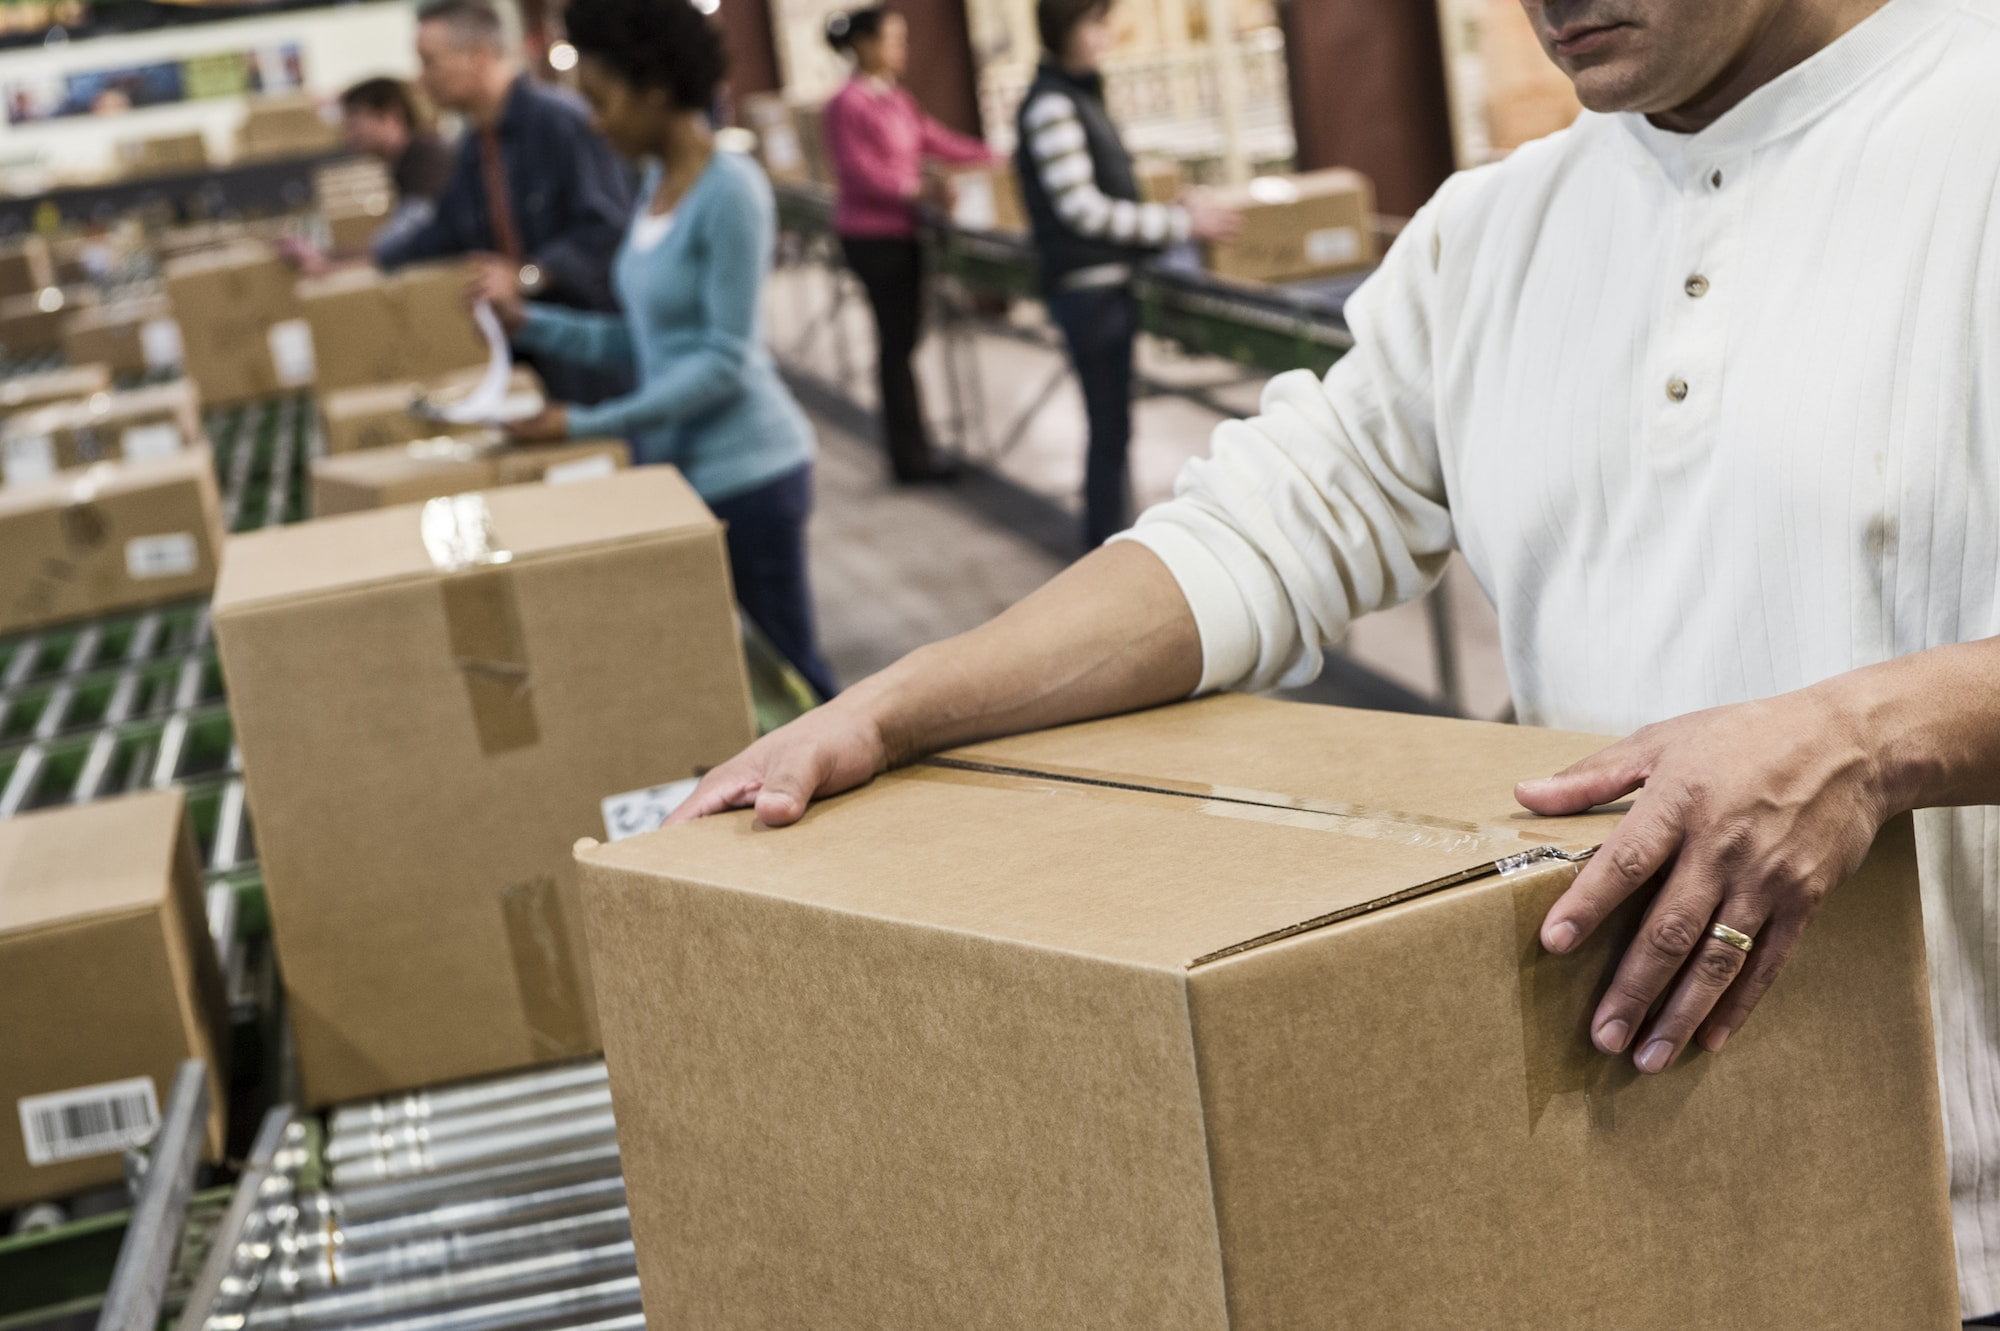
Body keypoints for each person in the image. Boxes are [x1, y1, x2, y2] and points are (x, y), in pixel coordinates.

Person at [674, 0, 2000, 1319]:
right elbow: (1264, 527)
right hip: (1648, 1173)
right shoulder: (1489, 238)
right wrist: (898, 705)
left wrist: (1871, 734)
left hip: (1968, 1204)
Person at [471, 0, 840, 703]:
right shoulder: (650, 186)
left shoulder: (731, 191)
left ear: (657, 90)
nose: (596, 123)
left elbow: (723, 360)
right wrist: (531, 324)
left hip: (750, 472)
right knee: (727, 681)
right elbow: (644, 339)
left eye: (603, 101)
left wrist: (580, 424)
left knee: (794, 683)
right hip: (682, 472)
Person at [1015, 0, 1238, 551]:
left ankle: (1108, 543)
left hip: (1104, 286)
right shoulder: (1053, 106)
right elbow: (1081, 209)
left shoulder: (1076, 96)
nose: (1104, 34)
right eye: (1093, 22)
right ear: (1063, 27)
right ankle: (1104, 551)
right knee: (1108, 428)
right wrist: (1178, 223)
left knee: (1113, 426)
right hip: (1089, 292)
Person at [377, 0, 635, 406]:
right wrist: (346, 263)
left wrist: (526, 275)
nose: (422, 79)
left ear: (478, 57)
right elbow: (439, 235)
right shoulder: (472, 149)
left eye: (430, 62)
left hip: (590, 355)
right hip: (524, 353)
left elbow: (607, 229)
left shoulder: (562, 124)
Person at [821, 7, 993, 484]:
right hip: (874, 237)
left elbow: (934, 139)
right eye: (893, 39)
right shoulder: (847, 104)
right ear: (865, 45)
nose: (902, 49)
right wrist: (915, 189)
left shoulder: (894, 98)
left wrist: (993, 157)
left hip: (903, 233)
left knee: (903, 342)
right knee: (896, 345)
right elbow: (860, 172)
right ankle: (908, 455)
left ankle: (913, 446)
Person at [337, 77, 453, 256]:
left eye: (354, 122)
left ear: (390, 115)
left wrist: (333, 261)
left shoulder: (426, 156)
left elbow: (408, 235)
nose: (349, 135)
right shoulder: (406, 161)